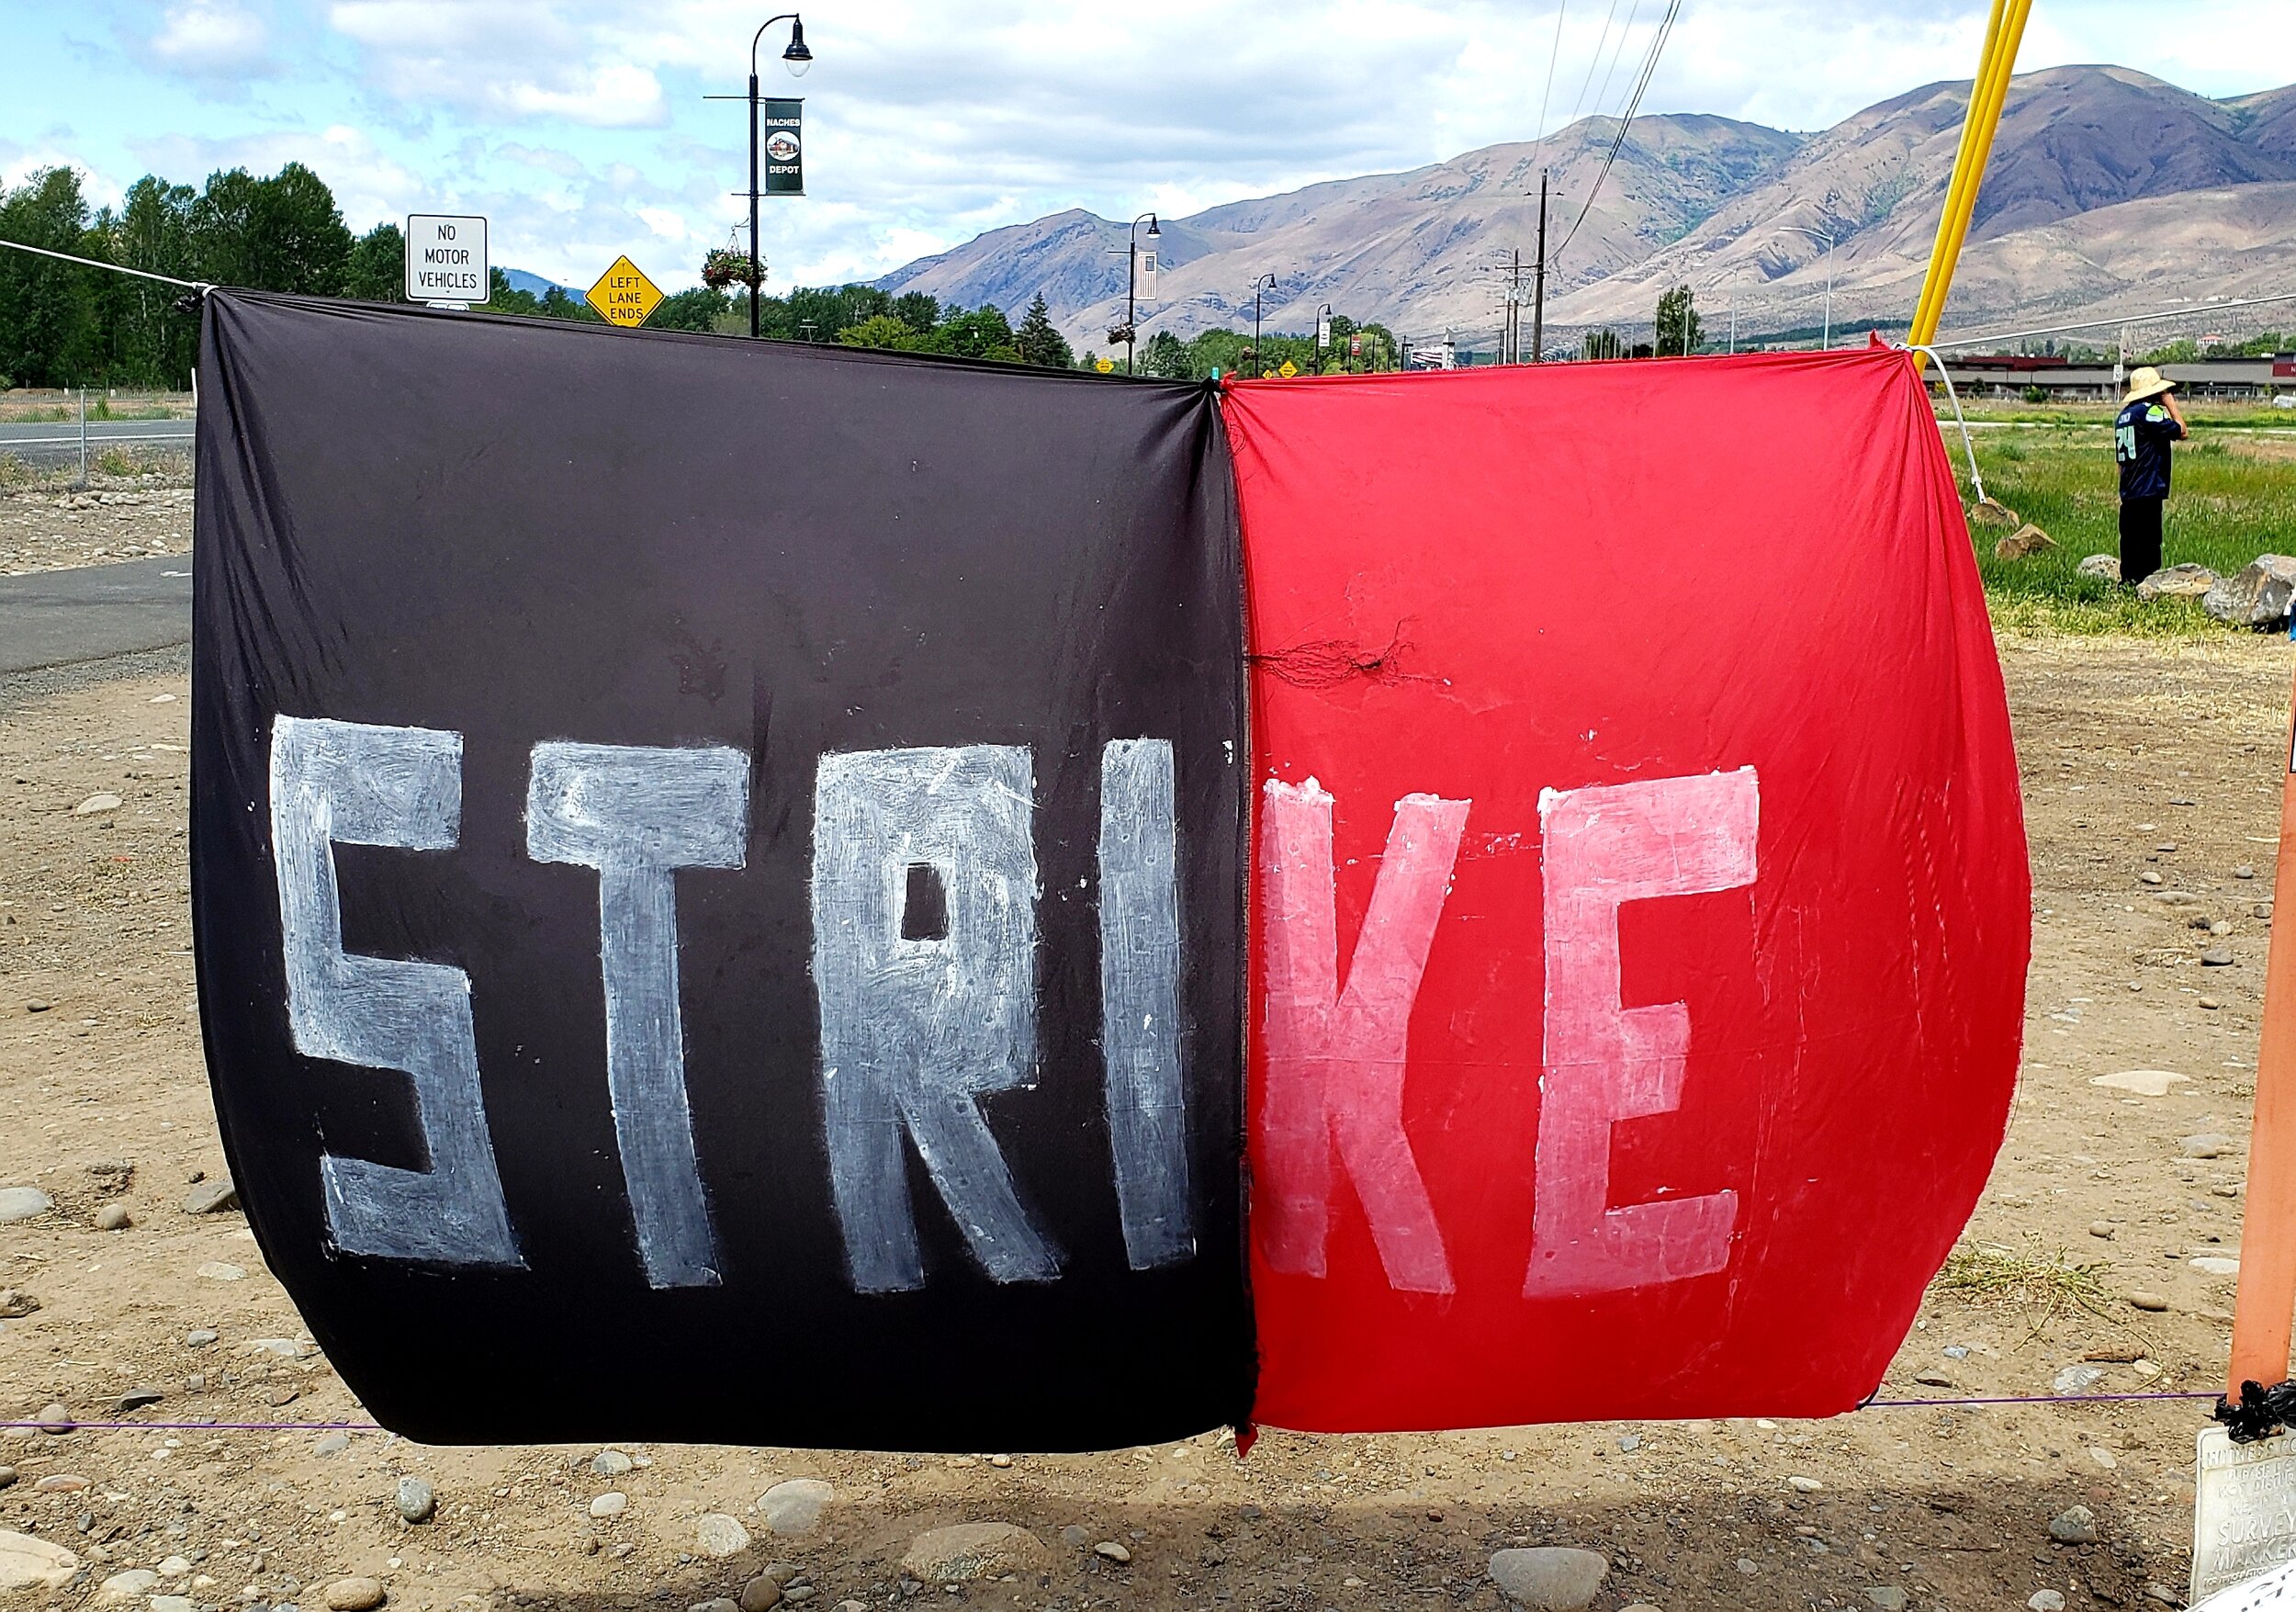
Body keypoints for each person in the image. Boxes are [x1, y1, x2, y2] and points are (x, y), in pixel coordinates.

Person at [2114, 365, 2189, 586]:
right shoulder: (2149, 411)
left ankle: (2127, 583)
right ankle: (2147, 586)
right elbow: (2182, 430)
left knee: (2129, 543)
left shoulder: (2123, 415)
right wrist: (2170, 404)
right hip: (2148, 487)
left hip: (2129, 489)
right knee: (2149, 544)